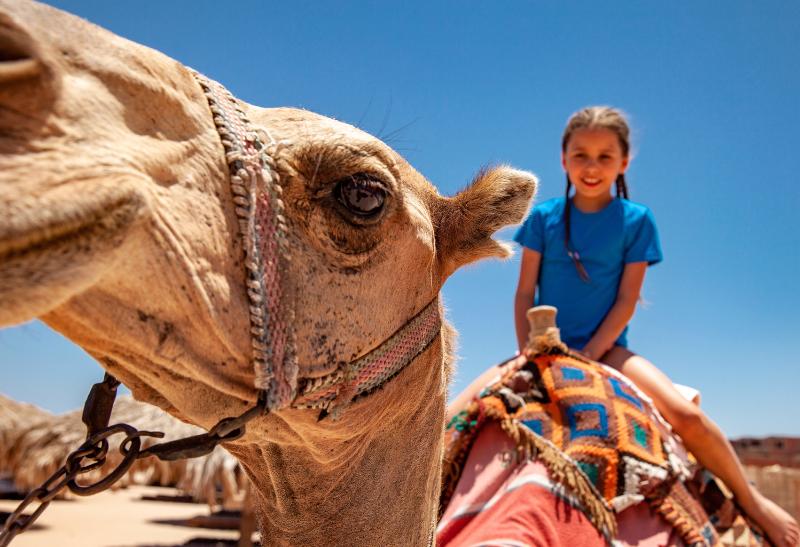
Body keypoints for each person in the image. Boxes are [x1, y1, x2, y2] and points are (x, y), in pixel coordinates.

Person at [512, 106, 799, 547]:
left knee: (686, 415)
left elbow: (626, 301)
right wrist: (530, 353)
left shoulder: (636, 221)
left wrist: (586, 359)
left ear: (624, 162)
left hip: (608, 350)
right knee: (462, 416)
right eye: (581, 155)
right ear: (563, 158)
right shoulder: (543, 219)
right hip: (543, 347)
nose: (592, 167)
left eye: (605, 156)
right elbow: (523, 294)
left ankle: (754, 503)